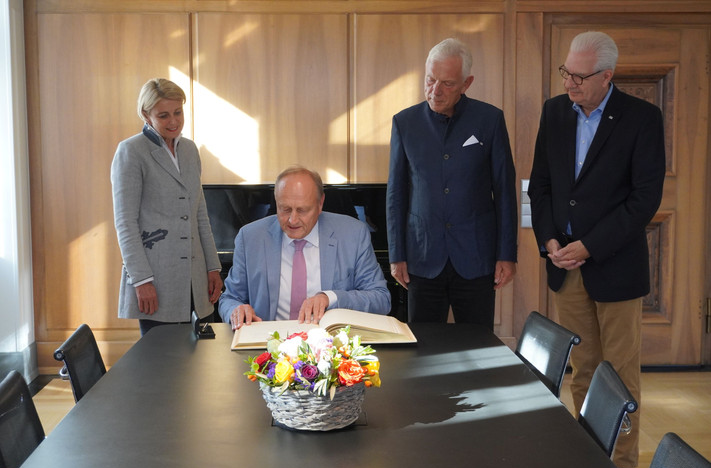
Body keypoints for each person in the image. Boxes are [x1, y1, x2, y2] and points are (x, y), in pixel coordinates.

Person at [527, 31, 666, 468]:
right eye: (566, 72)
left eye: (580, 77)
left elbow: (644, 200)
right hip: (565, 266)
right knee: (582, 369)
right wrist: (550, 240)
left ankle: (621, 465)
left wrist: (589, 245)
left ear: (608, 76)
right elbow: (542, 185)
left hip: (615, 266)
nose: (570, 83)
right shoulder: (554, 112)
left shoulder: (642, 118)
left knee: (620, 377)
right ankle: (591, 457)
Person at [386, 38, 518, 328]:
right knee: (422, 349)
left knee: (477, 347)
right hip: (422, 256)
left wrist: (506, 254)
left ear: (466, 83)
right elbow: (396, 194)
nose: (435, 91)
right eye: (430, 80)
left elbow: (505, 190)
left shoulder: (490, 120)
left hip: (476, 257)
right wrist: (397, 255)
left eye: (447, 83)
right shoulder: (404, 123)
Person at [111, 78, 222, 336]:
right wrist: (141, 280)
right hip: (155, 280)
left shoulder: (190, 150)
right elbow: (125, 223)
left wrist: (212, 267)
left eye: (178, 112)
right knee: (162, 366)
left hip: (197, 280)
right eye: (163, 115)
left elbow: (199, 213)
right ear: (146, 115)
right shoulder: (130, 152)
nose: (173, 121)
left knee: (202, 361)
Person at [219, 166, 391, 329]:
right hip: (267, 346)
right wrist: (236, 310)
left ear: (320, 204)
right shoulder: (250, 237)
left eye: (302, 210)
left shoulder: (352, 234)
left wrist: (330, 298)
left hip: (331, 347)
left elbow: (381, 299)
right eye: (285, 209)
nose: (292, 220)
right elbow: (230, 298)